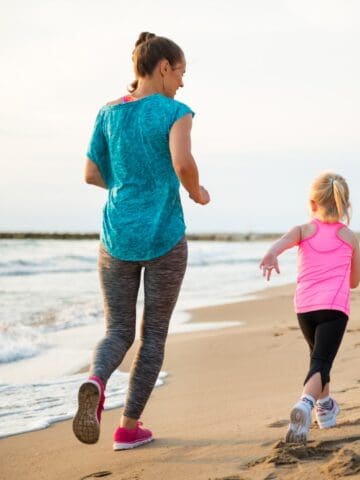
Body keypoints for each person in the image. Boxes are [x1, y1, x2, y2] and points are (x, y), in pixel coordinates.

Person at [72, 32, 210, 451]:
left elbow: (91, 174)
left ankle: (96, 379)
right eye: (181, 72)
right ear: (164, 67)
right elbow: (183, 163)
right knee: (153, 335)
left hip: (116, 236)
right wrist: (197, 192)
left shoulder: (108, 112)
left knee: (117, 329)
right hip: (164, 235)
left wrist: (129, 188)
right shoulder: (175, 111)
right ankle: (128, 427)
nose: (183, 83)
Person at [260, 172, 360, 444]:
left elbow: (278, 246)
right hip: (334, 309)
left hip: (304, 309)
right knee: (321, 361)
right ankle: (305, 404)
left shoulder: (302, 230)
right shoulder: (350, 237)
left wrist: (271, 255)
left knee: (318, 358)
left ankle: (325, 409)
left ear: (313, 203)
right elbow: (353, 282)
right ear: (344, 206)